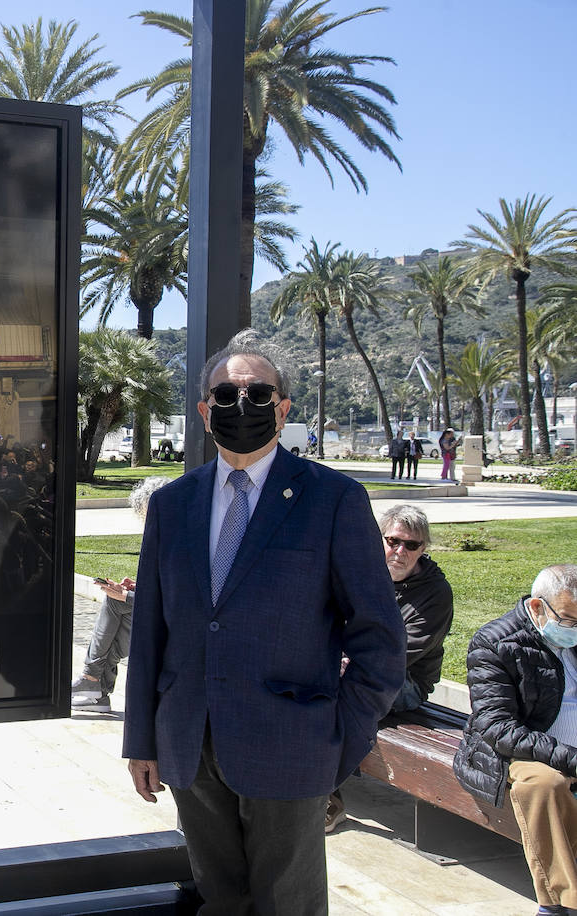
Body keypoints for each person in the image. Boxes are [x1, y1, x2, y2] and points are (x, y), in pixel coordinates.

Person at [123, 329, 404, 915]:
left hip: (292, 744)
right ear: (204, 412)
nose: (240, 406)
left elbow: (379, 637)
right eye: (225, 396)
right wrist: (142, 739)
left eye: (258, 395)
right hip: (191, 745)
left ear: (283, 407)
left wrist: (339, 740)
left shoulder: (333, 499)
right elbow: (150, 631)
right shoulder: (174, 505)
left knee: (288, 906)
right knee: (220, 901)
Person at [453, 565, 577, 916]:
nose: (573, 630)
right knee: (543, 785)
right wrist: (570, 758)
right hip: (518, 750)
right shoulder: (495, 642)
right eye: (567, 620)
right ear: (538, 607)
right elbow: (499, 728)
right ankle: (559, 903)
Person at [326, 503, 454, 832]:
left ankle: (327, 797)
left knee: (331, 697)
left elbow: (403, 651)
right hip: (348, 664)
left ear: (423, 548)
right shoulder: (362, 574)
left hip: (405, 680)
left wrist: (344, 662)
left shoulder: (435, 593)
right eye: (393, 541)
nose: (400, 551)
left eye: (411, 545)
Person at [71, 475, 170, 711]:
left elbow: (175, 597)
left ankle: (93, 682)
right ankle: (96, 689)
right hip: (157, 612)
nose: (147, 524)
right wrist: (136, 587)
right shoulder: (167, 539)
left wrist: (127, 596)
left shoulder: (177, 544)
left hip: (171, 619)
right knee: (117, 614)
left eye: (149, 516)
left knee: (117, 606)